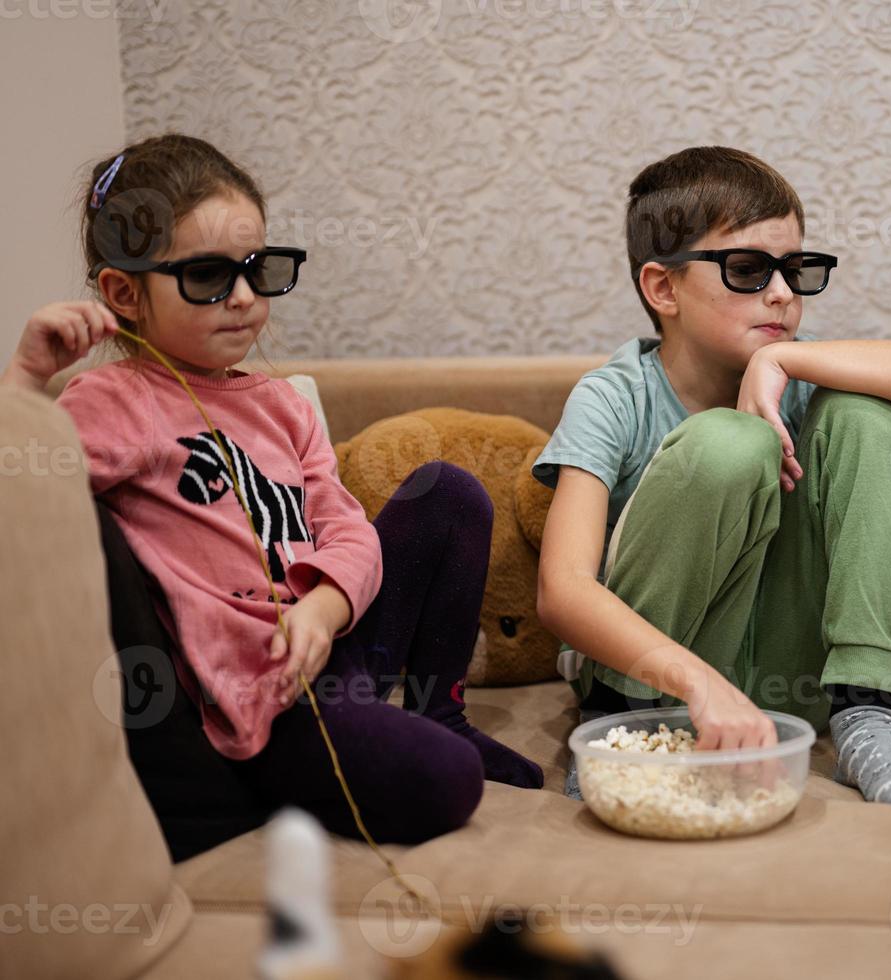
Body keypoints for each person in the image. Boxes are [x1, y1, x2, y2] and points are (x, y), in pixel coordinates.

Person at [1, 134, 541, 857]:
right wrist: (25, 381)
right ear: (124, 293)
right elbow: (19, 504)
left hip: (333, 639)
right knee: (448, 783)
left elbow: (347, 531)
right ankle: (296, 773)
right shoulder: (114, 401)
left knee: (447, 492)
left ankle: (439, 712)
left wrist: (325, 605)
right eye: (208, 277)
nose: (247, 298)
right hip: (268, 693)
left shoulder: (281, 405)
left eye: (259, 269)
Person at [534, 146, 891, 806]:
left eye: (795, 271)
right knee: (731, 443)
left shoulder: (802, 379)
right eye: (747, 269)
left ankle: (864, 715)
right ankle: (620, 721)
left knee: (870, 413)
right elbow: (560, 592)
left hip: (794, 680)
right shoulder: (615, 396)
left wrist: (783, 364)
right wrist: (693, 683)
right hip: (657, 677)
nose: (782, 292)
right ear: (664, 288)